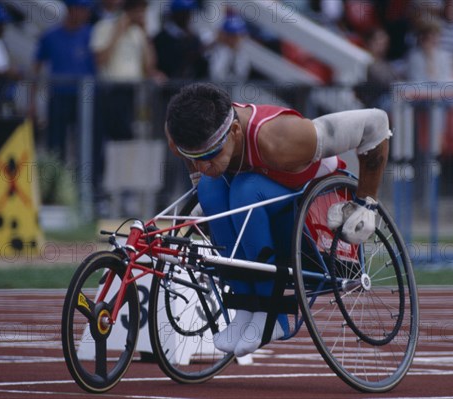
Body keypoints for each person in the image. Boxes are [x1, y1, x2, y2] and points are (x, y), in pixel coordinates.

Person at [164, 83, 391, 357]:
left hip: (309, 194)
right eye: (193, 158)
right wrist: (200, 181)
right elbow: (197, 159)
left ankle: (272, 316)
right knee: (210, 188)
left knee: (245, 190)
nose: (201, 165)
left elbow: (376, 124)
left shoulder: (280, 136)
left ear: (235, 132)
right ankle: (244, 308)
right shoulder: (180, 135)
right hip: (265, 191)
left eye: (209, 156)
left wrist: (366, 202)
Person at [33, 0, 95, 160]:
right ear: (71, 10)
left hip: (85, 99)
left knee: (86, 142)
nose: (85, 14)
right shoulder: (51, 36)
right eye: (82, 9)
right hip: (59, 96)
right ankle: (55, 180)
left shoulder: (91, 34)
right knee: (55, 144)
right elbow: (36, 67)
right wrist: (32, 100)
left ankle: (85, 181)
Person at [152, 0, 207, 79]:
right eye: (184, 13)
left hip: (191, 85)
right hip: (169, 86)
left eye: (189, 12)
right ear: (175, 14)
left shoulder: (193, 37)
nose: (188, 16)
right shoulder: (161, 38)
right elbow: (163, 64)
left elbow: (200, 66)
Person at [207, 12, 251, 82]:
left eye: (236, 36)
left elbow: (242, 75)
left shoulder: (242, 53)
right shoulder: (217, 48)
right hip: (214, 86)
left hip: (236, 88)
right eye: (231, 35)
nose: (233, 39)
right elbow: (217, 74)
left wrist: (234, 53)